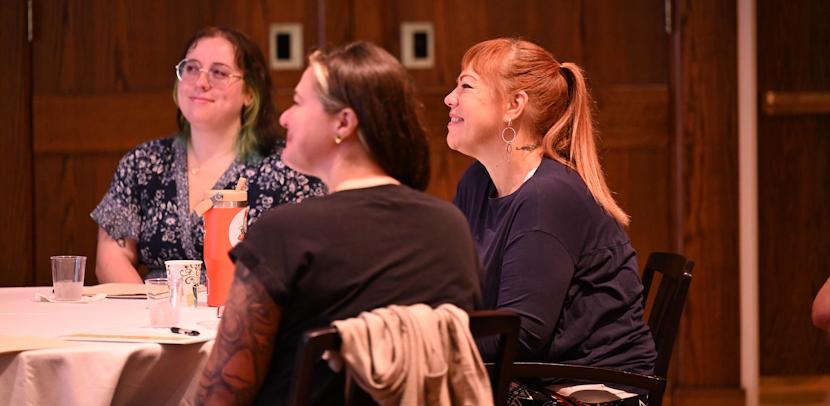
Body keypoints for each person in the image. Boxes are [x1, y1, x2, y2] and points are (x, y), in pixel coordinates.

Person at [195, 42, 482, 405]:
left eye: (298, 102)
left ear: (343, 122)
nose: (284, 118)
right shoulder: (452, 228)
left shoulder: (284, 233)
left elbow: (221, 395)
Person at [445, 38, 656, 404]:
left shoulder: (548, 197)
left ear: (514, 105)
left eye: (466, 85)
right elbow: (452, 288)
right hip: (533, 376)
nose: (450, 98)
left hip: (592, 389)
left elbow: (521, 337)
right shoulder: (476, 183)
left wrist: (426, 345)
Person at [91, 27, 325, 283]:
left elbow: (307, 265)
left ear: (249, 93)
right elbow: (111, 258)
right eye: (191, 68)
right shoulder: (144, 162)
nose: (201, 82)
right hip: (154, 312)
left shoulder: (288, 168)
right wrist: (150, 315)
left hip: (248, 313)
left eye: (219, 72)